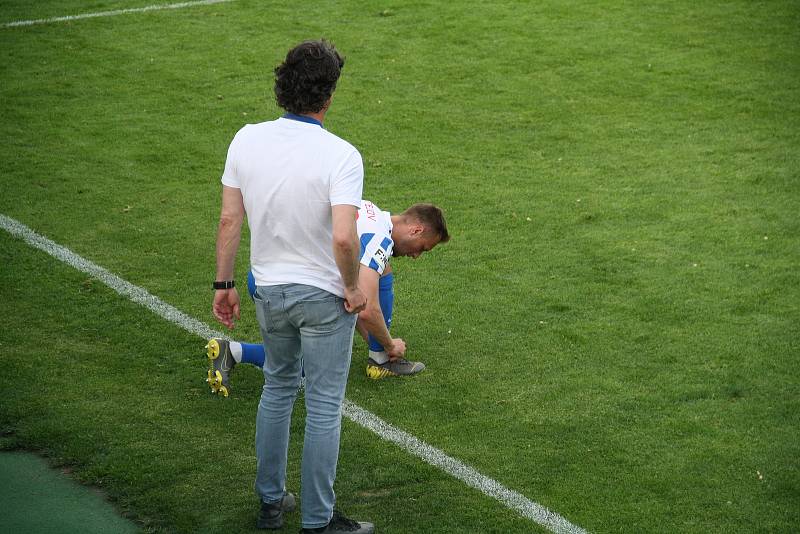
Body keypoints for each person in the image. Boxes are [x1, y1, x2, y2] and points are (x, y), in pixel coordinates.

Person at [212, 39, 373, 534]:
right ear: (328, 95)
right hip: (323, 296)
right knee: (324, 405)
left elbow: (229, 219)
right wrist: (351, 287)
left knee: (278, 389)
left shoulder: (245, 138)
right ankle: (319, 521)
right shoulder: (341, 155)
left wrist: (224, 283)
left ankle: (270, 502)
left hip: (269, 292)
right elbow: (344, 237)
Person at [206, 199, 450, 397]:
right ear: (416, 230)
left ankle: (379, 359)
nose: (417, 255)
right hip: (296, 292)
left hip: (264, 275)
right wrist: (390, 345)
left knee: (376, 272)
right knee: (314, 371)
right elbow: (366, 309)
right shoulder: (380, 240)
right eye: (423, 247)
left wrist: (375, 342)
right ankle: (237, 352)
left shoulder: (368, 209)